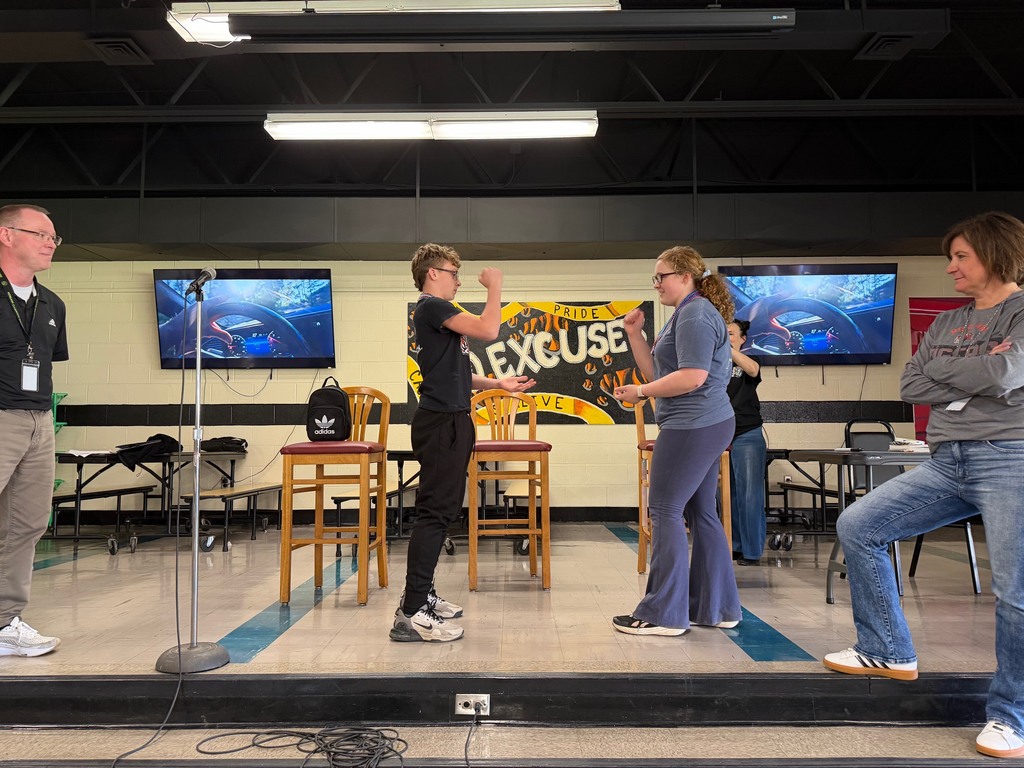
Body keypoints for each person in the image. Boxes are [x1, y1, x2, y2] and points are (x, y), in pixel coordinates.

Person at [822, 211, 1024, 759]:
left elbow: (1008, 374)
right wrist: (981, 372)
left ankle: (1012, 716)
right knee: (859, 525)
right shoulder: (947, 322)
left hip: (1009, 458)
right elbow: (912, 383)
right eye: (950, 257)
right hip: (946, 459)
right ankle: (887, 649)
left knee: (1015, 591)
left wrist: (959, 374)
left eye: (961, 256)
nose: (951, 266)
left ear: (996, 253)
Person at [391, 243, 535, 643]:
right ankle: (412, 612)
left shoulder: (439, 316)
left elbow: (454, 374)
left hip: (452, 419)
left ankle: (421, 595)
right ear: (433, 273)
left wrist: (497, 383)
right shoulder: (432, 306)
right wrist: (495, 286)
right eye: (454, 273)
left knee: (442, 512)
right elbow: (489, 329)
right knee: (434, 514)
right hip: (441, 423)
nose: (458, 280)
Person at [611, 246, 742, 636]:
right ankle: (715, 608)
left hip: (692, 425)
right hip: (706, 423)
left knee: (664, 509)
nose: (656, 284)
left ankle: (663, 614)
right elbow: (659, 372)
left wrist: (641, 393)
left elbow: (692, 377)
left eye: (661, 276)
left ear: (685, 276)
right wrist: (634, 335)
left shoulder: (696, 314)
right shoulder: (687, 313)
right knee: (701, 512)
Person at [0, 204, 69, 658]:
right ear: (6, 235)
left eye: (53, 237)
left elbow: (44, 361)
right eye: (40, 234)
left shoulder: (52, 304)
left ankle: (5, 621)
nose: (50, 243)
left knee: (26, 523)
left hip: (38, 419)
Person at [727, 320, 766, 566]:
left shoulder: (747, 361)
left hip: (747, 433)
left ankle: (751, 551)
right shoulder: (711, 363)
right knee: (727, 495)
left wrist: (726, 348)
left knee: (749, 494)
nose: (726, 337)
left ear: (743, 339)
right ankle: (735, 546)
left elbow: (753, 370)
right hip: (720, 435)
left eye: (731, 334)